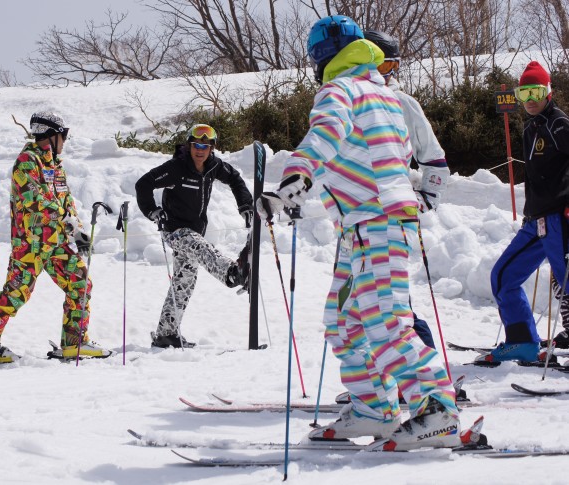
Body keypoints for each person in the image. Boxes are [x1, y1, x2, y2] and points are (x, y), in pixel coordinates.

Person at [257, 16, 460, 450]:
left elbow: (325, 135)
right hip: (363, 227)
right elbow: (380, 156)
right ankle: (375, 409)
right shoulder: (384, 95)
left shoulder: (340, 90)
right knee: (343, 321)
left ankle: (438, 412)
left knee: (386, 321)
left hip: (378, 222)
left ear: (319, 57)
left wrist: (296, 178)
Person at [0, 112, 111, 364]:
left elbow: (66, 201)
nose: (65, 140)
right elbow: (36, 202)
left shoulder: (55, 164)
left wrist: (78, 229)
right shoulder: (26, 162)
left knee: (80, 284)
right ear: (51, 135)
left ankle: (74, 342)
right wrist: (66, 219)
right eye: (63, 135)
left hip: (58, 243)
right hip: (32, 244)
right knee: (16, 292)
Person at [363, 30, 451, 350]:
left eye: (387, 67)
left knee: (392, 303)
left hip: (393, 215)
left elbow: (435, 161)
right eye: (373, 64)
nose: (380, 74)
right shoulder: (356, 103)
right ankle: (387, 379)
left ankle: (424, 376)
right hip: (363, 216)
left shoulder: (402, 103)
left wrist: (425, 199)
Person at [479, 61, 569, 364]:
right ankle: (521, 342)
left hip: (560, 217)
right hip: (537, 221)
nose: (530, 99)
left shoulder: (558, 124)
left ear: (548, 91)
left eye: (536, 91)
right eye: (524, 92)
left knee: (568, 281)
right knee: (503, 276)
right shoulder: (532, 127)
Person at [135, 124, 253, 349]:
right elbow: (143, 184)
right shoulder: (176, 168)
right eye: (196, 145)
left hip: (195, 230)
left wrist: (245, 205)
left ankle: (166, 334)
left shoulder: (213, 167)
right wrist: (152, 211)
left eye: (205, 146)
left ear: (212, 148)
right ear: (189, 145)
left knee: (183, 282)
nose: (200, 150)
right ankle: (231, 273)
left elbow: (236, 179)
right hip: (175, 231)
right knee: (201, 248)